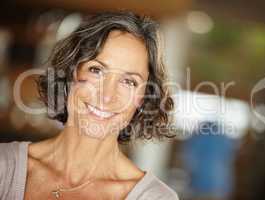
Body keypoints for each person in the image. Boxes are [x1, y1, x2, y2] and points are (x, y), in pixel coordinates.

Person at [0, 11, 178, 200]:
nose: (107, 96)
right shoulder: (4, 166)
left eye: (129, 81)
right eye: (97, 70)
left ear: (143, 98)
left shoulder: (155, 197)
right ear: (70, 74)